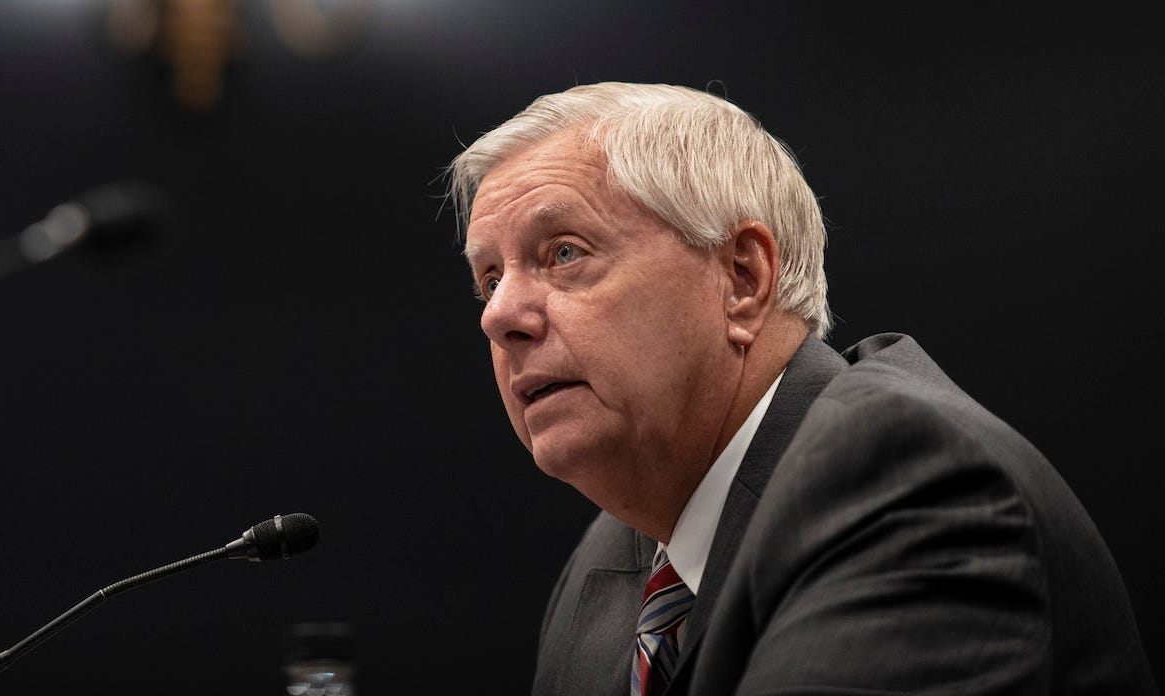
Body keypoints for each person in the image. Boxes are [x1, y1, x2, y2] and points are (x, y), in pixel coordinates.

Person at [447, 82, 1155, 695]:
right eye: (489, 279)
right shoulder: (614, 555)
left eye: (564, 253)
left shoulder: (909, 483)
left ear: (743, 280)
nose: (499, 315)